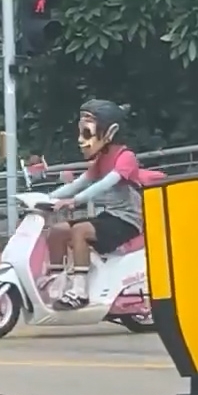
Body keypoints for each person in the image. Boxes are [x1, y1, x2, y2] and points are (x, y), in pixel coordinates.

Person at [45, 100, 146, 308]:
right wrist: (45, 199)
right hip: (110, 217)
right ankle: (57, 281)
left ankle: (80, 291)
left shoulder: (126, 157)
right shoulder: (101, 160)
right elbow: (79, 183)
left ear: (110, 132)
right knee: (57, 231)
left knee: (80, 231)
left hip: (128, 221)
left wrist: (75, 201)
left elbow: (105, 183)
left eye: (87, 133)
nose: (81, 140)